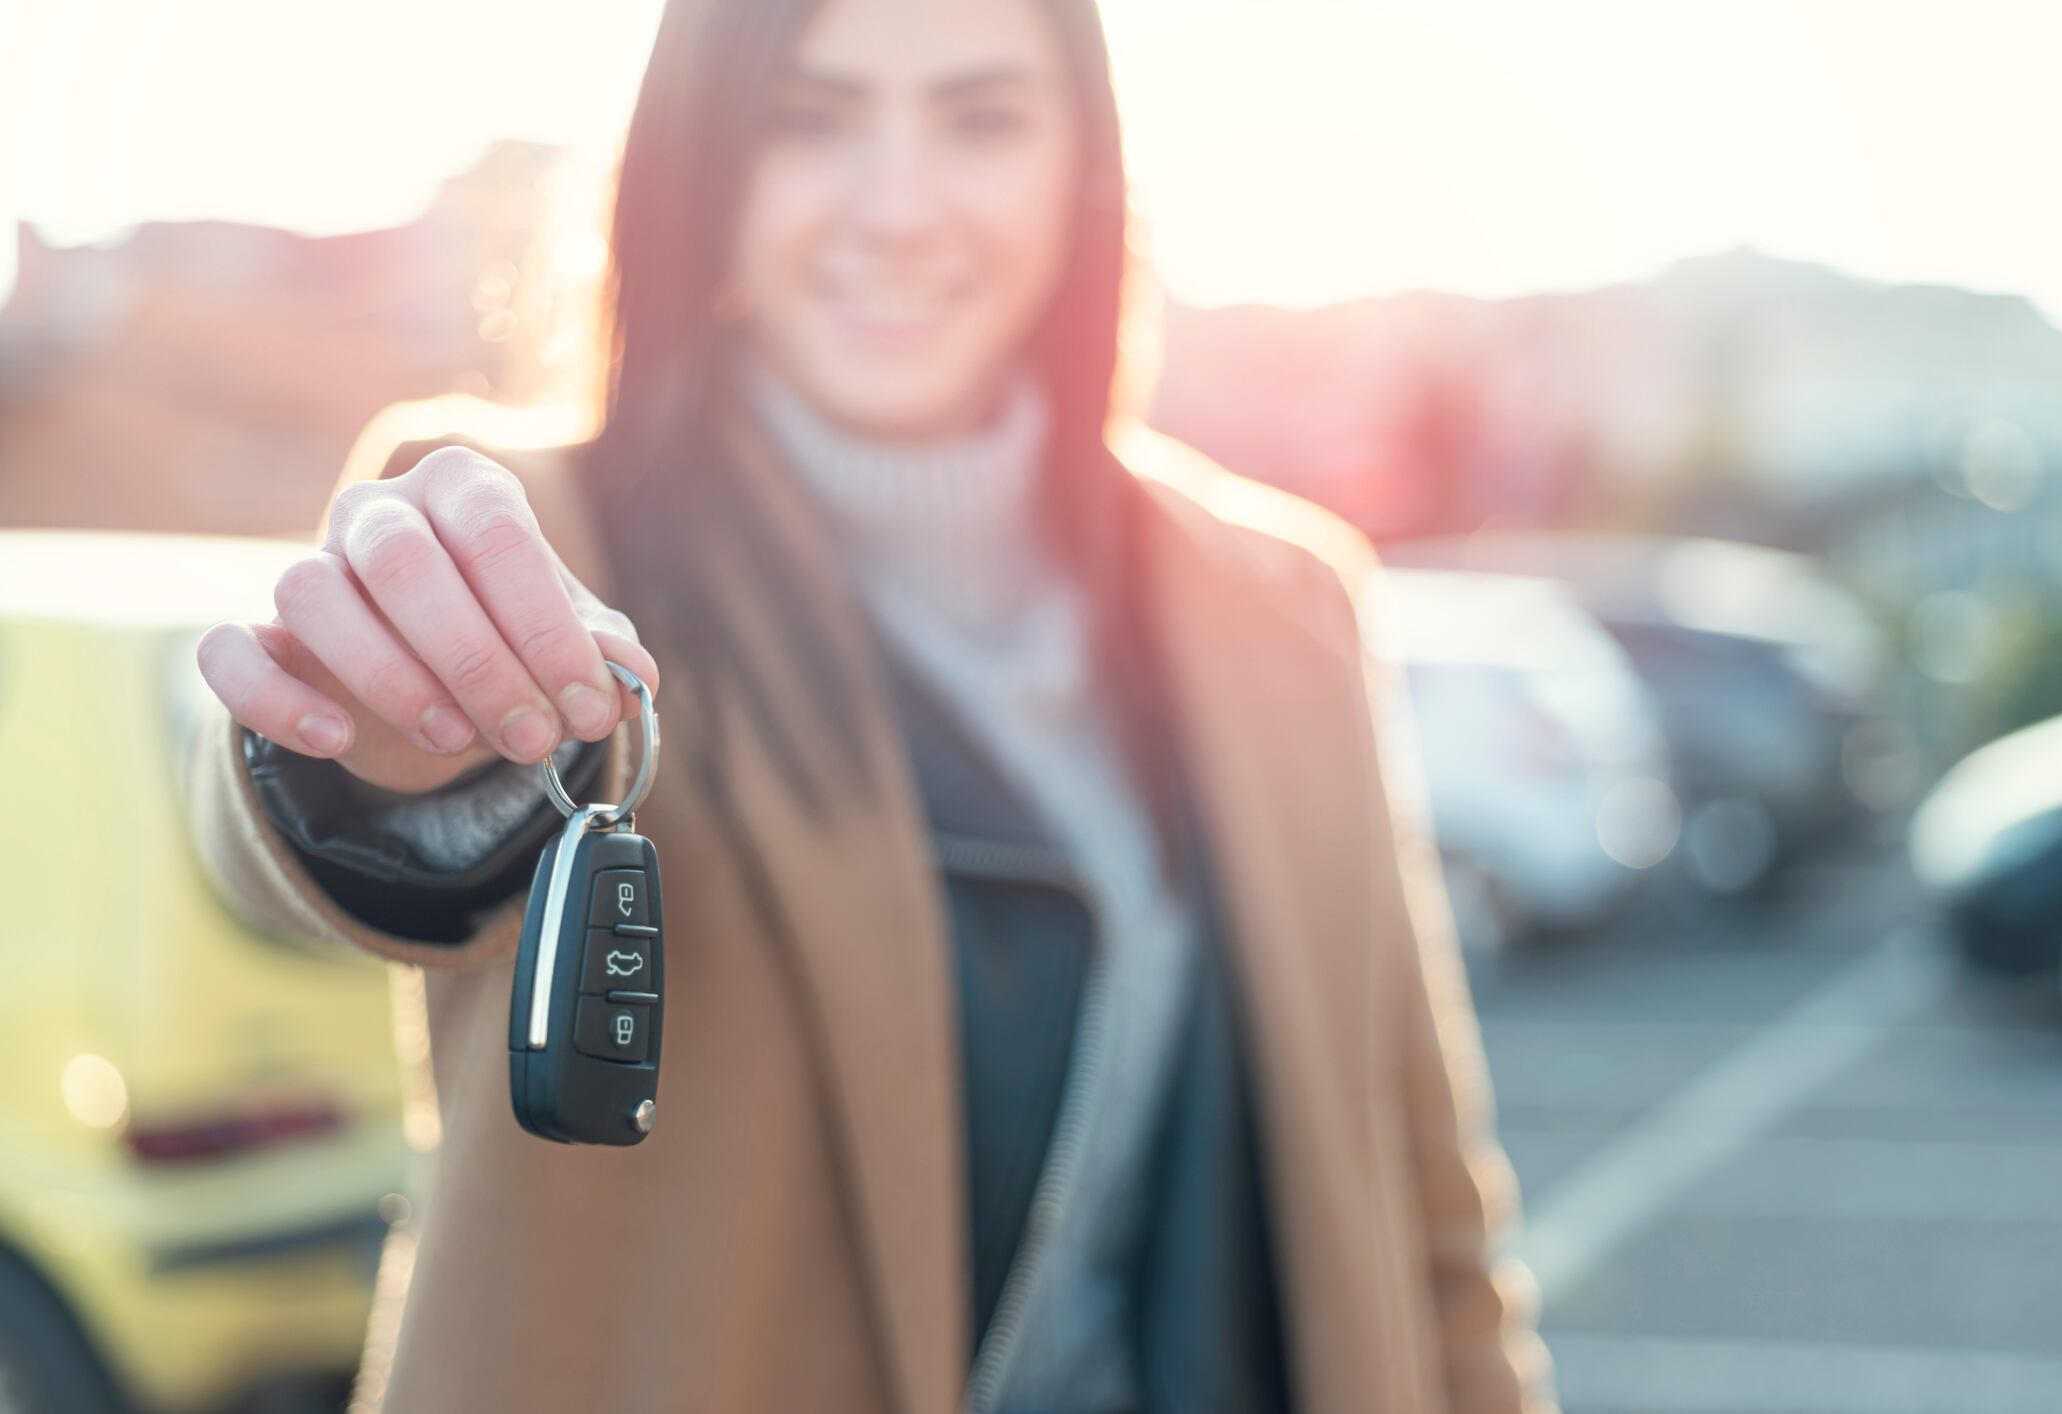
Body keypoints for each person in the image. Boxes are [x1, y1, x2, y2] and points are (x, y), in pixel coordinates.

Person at [189, 0, 1556, 1409]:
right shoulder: (532, 538)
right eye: (809, 118)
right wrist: (374, 750)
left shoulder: (1287, 600)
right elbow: (316, 839)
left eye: (983, 119)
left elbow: (1433, 1217)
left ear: (1086, 169)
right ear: (702, 159)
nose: (898, 208)